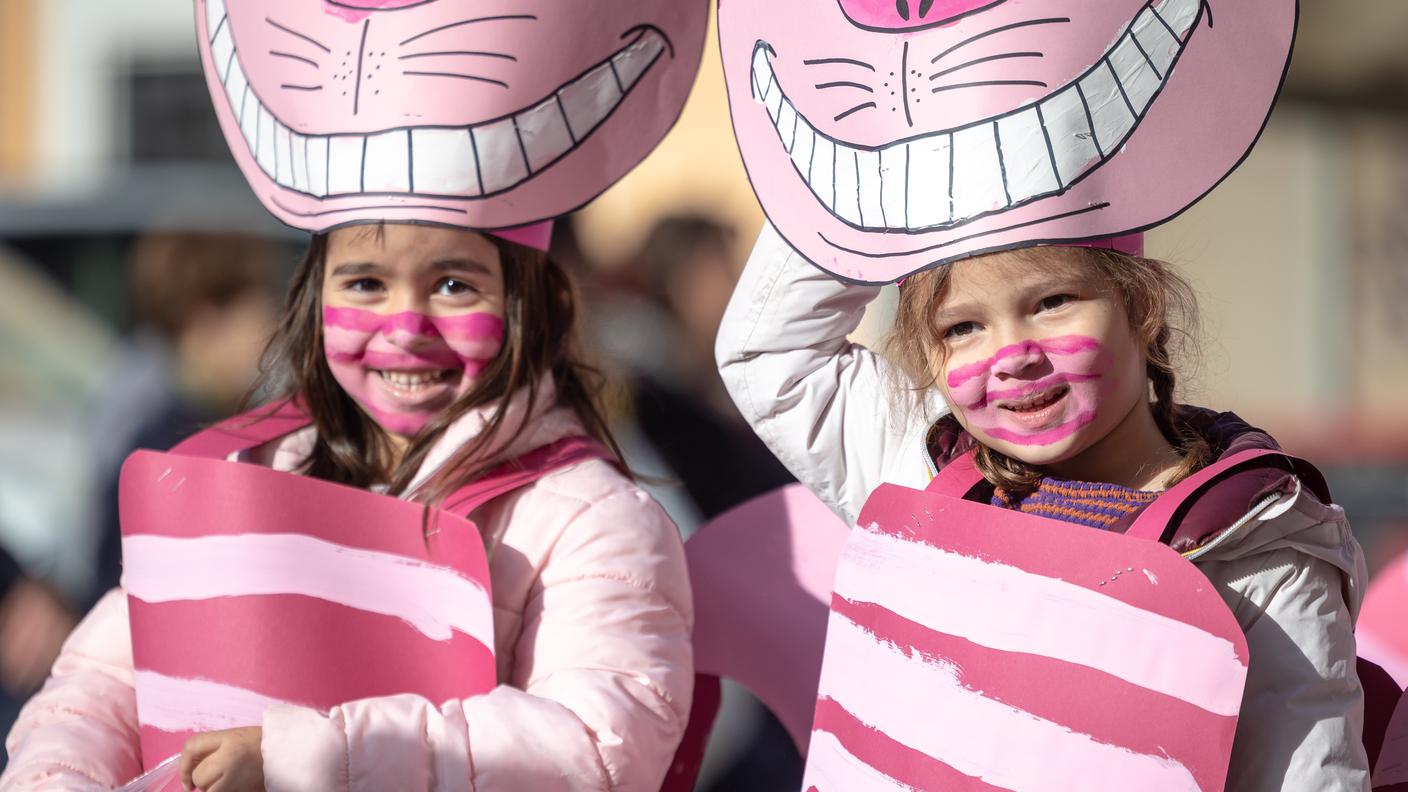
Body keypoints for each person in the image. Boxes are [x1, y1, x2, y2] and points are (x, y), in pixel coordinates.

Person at [1, 222, 694, 791]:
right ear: (313, 295)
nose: (404, 326)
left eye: (454, 285)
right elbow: (100, 686)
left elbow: (594, 747)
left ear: (527, 302)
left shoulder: (593, 520)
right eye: (366, 282)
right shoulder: (248, 476)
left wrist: (307, 760)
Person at [716, 224, 1371, 790]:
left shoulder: (1256, 549)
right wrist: (884, 169)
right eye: (963, 327)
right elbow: (768, 348)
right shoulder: (916, 471)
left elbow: (1306, 774)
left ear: (1139, 305)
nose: (1013, 357)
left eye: (1053, 302)